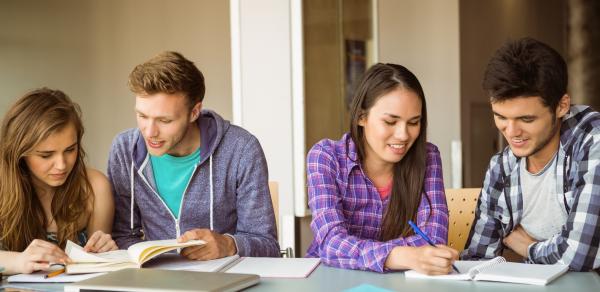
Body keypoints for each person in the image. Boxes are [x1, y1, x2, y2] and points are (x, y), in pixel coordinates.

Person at [108, 51, 280, 260]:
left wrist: (228, 244)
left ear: (194, 112)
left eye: (165, 121)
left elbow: (268, 245)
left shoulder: (241, 149)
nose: (149, 131)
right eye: (142, 116)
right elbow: (123, 236)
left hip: (225, 281)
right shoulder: (124, 149)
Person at [462, 37, 600, 272]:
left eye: (526, 119)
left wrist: (529, 248)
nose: (512, 132)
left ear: (561, 106)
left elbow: (579, 255)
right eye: (501, 117)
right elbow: (476, 259)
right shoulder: (502, 167)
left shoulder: (593, 143)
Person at [306, 63, 457, 274]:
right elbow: (331, 243)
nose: (403, 135)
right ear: (361, 116)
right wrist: (399, 255)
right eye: (390, 121)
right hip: (331, 279)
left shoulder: (428, 157)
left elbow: (433, 239)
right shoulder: (325, 156)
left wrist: (398, 256)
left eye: (413, 122)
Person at [0, 88, 117, 275]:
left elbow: (94, 270)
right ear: (19, 154)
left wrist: (105, 254)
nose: (62, 165)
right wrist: (17, 261)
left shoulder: (95, 187)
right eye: (46, 155)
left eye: (70, 150)